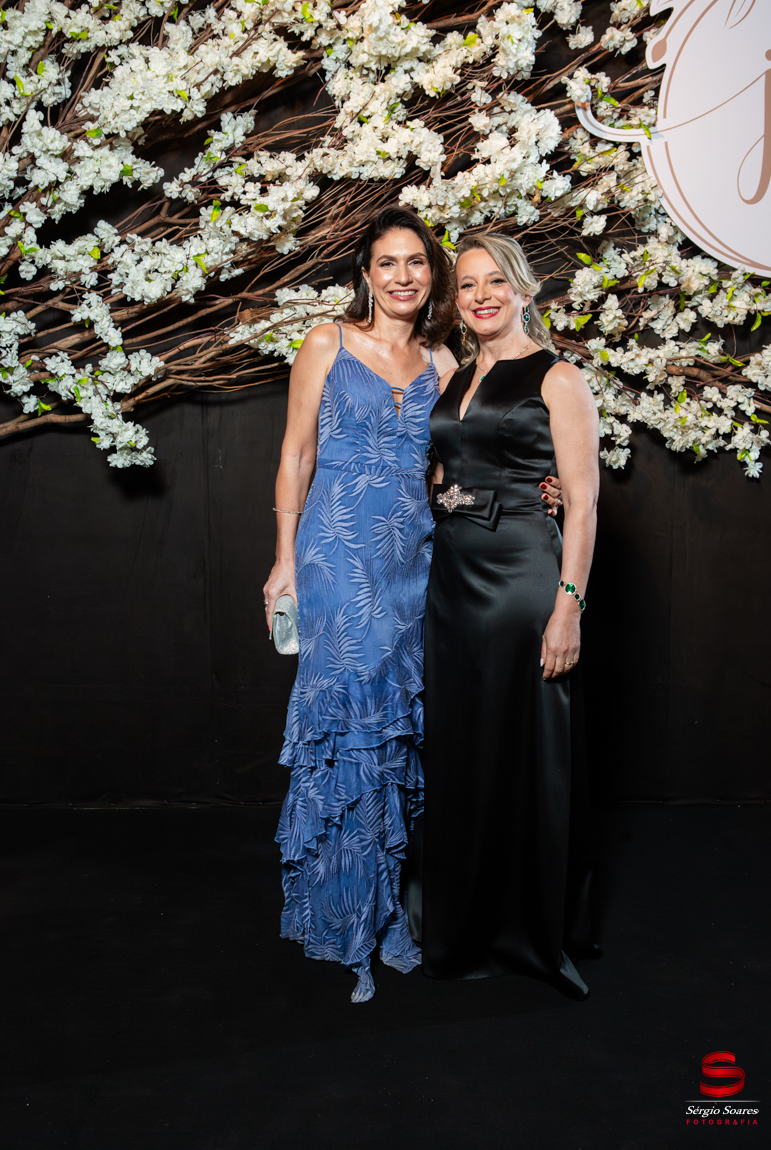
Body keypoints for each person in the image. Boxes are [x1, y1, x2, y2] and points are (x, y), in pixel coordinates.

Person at [263, 207, 458, 1002]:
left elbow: (451, 468)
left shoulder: (445, 359)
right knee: (351, 718)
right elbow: (296, 453)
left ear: (432, 275)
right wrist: (283, 561)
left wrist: (536, 490)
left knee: (395, 722)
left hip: (415, 561)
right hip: (337, 553)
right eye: (388, 263)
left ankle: (384, 900)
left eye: (417, 262)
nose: (403, 276)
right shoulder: (327, 342)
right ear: (365, 275)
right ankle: (343, 910)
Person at [421, 232, 600, 1000]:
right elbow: (447, 470)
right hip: (453, 583)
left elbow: (583, 503)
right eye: (467, 285)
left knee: (522, 751)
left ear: (524, 290)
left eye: (496, 281)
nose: (481, 295)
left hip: (522, 581)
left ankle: (526, 928)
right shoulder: (456, 375)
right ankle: (465, 921)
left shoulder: (558, 377)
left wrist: (568, 608)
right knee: (464, 751)